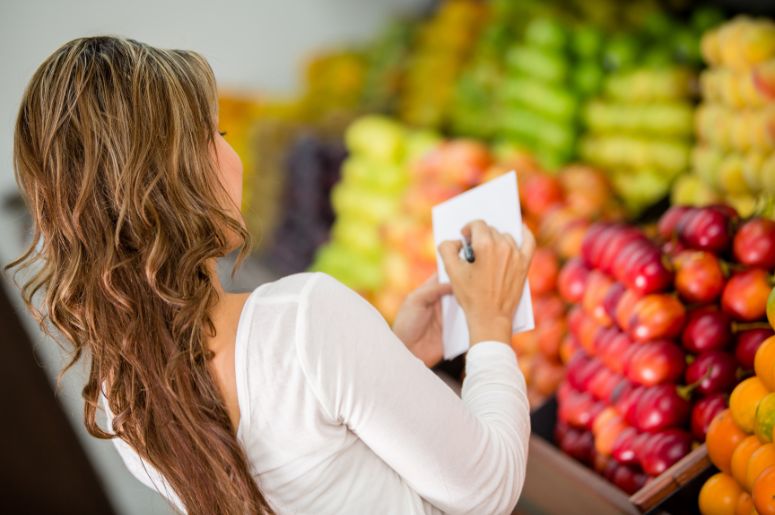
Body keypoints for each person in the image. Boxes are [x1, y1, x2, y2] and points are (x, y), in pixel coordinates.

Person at [6, 36, 535, 515]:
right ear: (177, 173)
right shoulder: (304, 317)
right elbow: (486, 491)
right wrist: (490, 327)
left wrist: (389, 359)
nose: (234, 154)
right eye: (217, 133)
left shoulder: (121, 399)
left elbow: (327, 470)